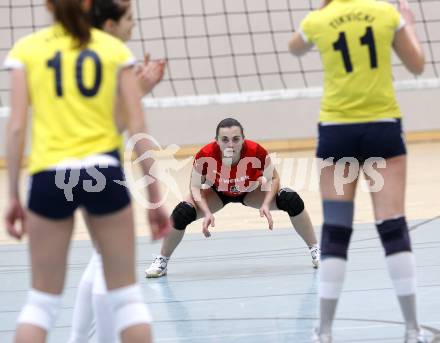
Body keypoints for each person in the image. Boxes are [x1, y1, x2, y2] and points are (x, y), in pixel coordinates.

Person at [3, 1, 170, 343]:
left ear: (49, 5)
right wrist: (154, 197)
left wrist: (12, 195)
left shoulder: (27, 50)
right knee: (127, 299)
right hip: (102, 172)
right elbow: (136, 125)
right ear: (88, 5)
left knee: (41, 303)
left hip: (50, 176)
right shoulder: (112, 49)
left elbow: (17, 128)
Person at [288, 0, 425, 342]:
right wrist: (406, 24)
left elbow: (294, 48)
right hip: (382, 127)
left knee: (335, 229)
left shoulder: (319, 19)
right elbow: (418, 65)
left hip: (337, 131)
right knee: (392, 224)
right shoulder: (386, 13)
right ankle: (411, 329)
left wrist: (319, 15)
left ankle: (325, 332)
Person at [67, 1, 166, 342]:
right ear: (109, 24)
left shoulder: (70, 50)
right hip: (98, 165)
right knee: (109, 261)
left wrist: (137, 87)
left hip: (61, 166)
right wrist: (141, 89)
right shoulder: (111, 55)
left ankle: (79, 339)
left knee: (99, 256)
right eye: (129, 20)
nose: (133, 26)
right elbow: (121, 122)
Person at [145, 117, 320, 278]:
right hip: (216, 193)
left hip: (250, 191)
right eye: (225, 140)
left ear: (243, 139)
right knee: (182, 213)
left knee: (291, 199)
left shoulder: (256, 151)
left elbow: (274, 178)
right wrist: (206, 212)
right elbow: (195, 187)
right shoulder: (205, 155)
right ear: (217, 141)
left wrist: (266, 204)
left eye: (236, 139)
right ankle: (162, 261)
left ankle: (316, 249)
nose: (230, 144)